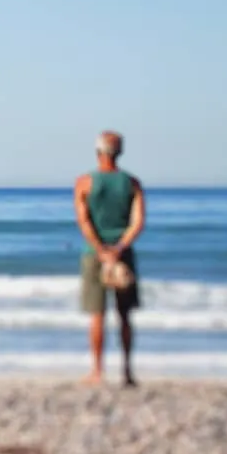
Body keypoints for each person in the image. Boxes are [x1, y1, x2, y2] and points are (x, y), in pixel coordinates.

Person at [74, 131, 146, 386]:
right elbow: (138, 222)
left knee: (97, 314)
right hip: (123, 254)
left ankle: (97, 371)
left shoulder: (84, 182)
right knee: (125, 315)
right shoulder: (132, 183)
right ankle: (127, 371)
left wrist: (101, 250)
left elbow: (84, 221)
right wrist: (119, 247)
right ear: (120, 152)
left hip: (94, 255)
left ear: (98, 152)